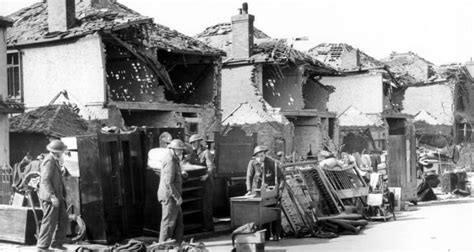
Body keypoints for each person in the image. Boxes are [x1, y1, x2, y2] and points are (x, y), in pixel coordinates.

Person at [245, 145, 285, 240]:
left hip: (271, 192)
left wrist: (280, 190)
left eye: (262, 155)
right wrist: (249, 190)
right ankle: (265, 235)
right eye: (258, 156)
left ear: (265, 155)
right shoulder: (252, 163)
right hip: (258, 192)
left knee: (273, 213)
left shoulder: (272, 163)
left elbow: (282, 177)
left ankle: (276, 234)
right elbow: (249, 176)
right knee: (262, 214)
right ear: (255, 156)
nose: (260, 158)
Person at [37, 140, 69, 250]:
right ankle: (42, 247)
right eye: (62, 152)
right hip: (50, 198)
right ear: (57, 152)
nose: (63, 154)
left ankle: (57, 243)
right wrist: (52, 196)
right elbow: (45, 180)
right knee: (50, 222)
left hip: (58, 196)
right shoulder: (49, 161)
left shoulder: (55, 160)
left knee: (64, 218)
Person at [158, 139, 185, 243]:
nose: (181, 152)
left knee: (178, 223)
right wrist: (177, 197)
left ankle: (177, 245)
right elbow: (168, 182)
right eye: (179, 150)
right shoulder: (170, 160)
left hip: (172, 196)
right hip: (170, 197)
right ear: (173, 149)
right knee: (168, 224)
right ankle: (162, 247)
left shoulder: (174, 159)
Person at [188, 134, 215, 231]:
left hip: (207, 182)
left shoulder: (206, 152)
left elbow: (211, 167)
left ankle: (209, 227)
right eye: (191, 143)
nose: (193, 144)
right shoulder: (193, 154)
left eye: (194, 142)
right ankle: (201, 226)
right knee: (200, 205)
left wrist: (206, 175)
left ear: (199, 142)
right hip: (198, 183)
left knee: (206, 205)